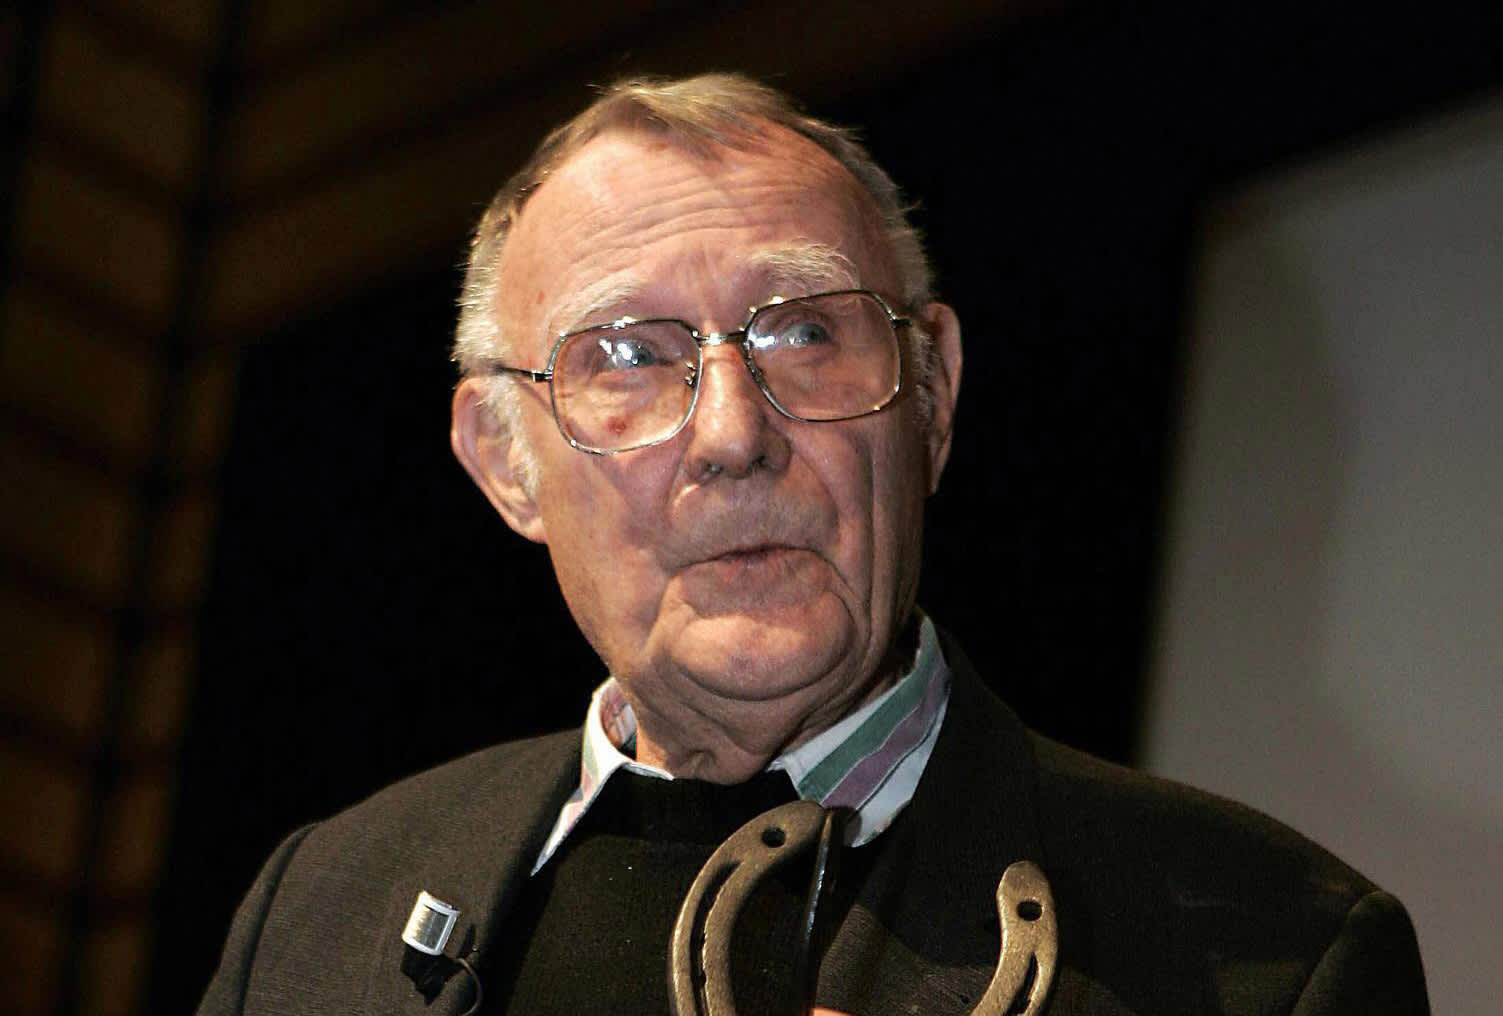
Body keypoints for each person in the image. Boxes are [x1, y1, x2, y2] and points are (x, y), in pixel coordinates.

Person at [195, 74, 1428, 1015]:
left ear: (931, 395)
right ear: (505, 458)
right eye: (627, 355)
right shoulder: (318, 913)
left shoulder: (1273, 956)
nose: (733, 435)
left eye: (805, 332)